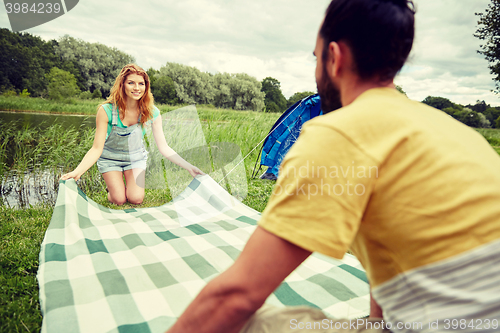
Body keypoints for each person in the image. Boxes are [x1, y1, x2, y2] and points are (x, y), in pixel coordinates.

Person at [166, 0, 500, 332]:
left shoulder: (337, 133)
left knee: (256, 323)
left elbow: (236, 296)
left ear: (335, 58)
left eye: (316, 57)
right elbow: (392, 251)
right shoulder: (456, 132)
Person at [61, 64, 203, 205]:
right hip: (110, 159)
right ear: (122, 85)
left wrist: (189, 167)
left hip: (135, 159)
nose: (137, 88)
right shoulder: (106, 111)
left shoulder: (152, 112)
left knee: (136, 199)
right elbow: (96, 149)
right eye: (131, 83)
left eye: (141, 84)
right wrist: (77, 172)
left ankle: (125, 188)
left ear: (146, 87)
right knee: (119, 200)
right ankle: (112, 191)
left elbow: (164, 147)